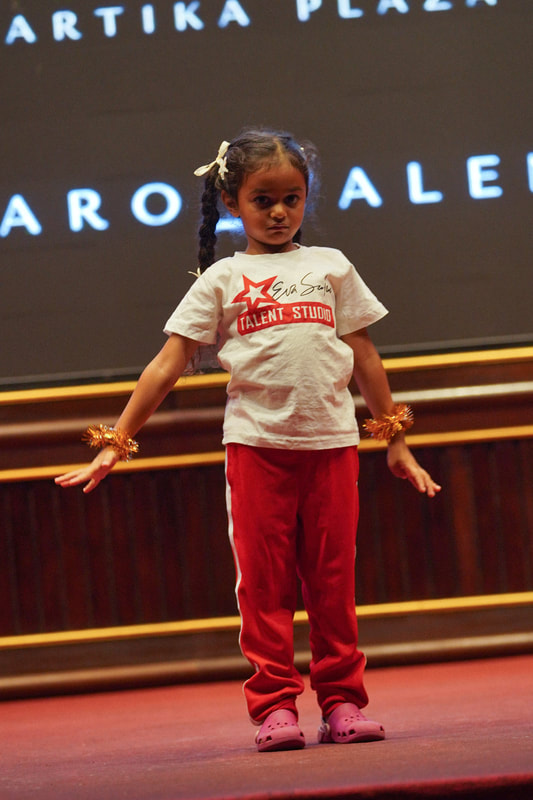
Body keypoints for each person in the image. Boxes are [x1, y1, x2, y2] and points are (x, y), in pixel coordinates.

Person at [56, 128, 441, 753]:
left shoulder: (331, 266)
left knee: (332, 583)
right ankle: (276, 706)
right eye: (263, 200)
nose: (279, 212)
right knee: (263, 586)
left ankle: (341, 701)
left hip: (332, 446)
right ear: (233, 202)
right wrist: (115, 441)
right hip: (257, 449)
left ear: (306, 198)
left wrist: (395, 439)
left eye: (292, 198)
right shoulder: (222, 278)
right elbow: (167, 365)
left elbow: (365, 356)